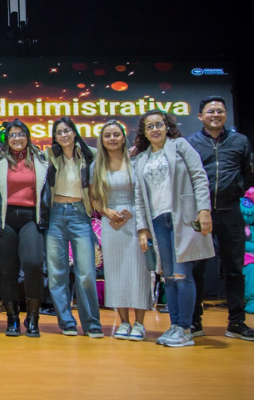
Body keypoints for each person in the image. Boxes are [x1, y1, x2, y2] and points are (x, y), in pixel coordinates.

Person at [133, 110, 214, 348]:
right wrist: (142, 228)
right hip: (157, 221)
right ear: (144, 132)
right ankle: (175, 325)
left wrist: (204, 210)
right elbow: (139, 196)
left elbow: (199, 178)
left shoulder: (180, 146)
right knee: (167, 276)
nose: (155, 129)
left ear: (167, 126)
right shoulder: (142, 159)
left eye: (159, 124)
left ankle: (186, 329)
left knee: (182, 275)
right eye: (150, 127)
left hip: (183, 217)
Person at [185, 96, 254, 341]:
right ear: (200, 116)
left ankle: (237, 323)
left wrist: (236, 188)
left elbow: (250, 173)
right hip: (200, 213)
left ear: (225, 115)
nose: (215, 115)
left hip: (231, 212)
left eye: (220, 111)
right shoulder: (191, 142)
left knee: (234, 270)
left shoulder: (240, 140)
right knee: (196, 269)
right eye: (210, 111)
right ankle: (194, 322)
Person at [0, 121, 48, 336]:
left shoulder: (41, 159)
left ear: (28, 136)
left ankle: (33, 318)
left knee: (33, 264)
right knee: (7, 271)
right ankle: (12, 318)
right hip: (4, 220)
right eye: (12, 135)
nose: (16, 139)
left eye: (20, 134)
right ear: (6, 139)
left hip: (31, 219)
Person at [89, 120, 151, 341]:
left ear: (124, 137)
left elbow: (145, 194)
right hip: (111, 223)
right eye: (107, 136)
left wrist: (143, 224)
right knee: (115, 273)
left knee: (139, 272)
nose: (112, 139)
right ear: (102, 140)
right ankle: (124, 322)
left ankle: (140, 323)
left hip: (136, 219)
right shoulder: (96, 166)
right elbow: (94, 199)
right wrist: (106, 211)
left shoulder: (137, 161)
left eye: (116, 134)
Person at [44, 116, 103, 338]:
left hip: (81, 215)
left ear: (74, 132)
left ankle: (92, 323)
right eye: (59, 132)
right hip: (55, 216)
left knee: (86, 272)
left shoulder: (91, 155)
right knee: (57, 273)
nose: (64, 135)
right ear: (55, 137)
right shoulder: (50, 155)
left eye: (67, 130)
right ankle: (66, 321)